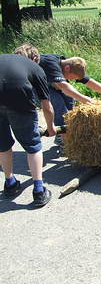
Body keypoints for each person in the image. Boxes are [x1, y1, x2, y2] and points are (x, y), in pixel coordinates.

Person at [1, 44, 56, 206]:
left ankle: (10, 182)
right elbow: (47, 106)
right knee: (33, 146)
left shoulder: (3, 59)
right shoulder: (35, 67)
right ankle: (39, 190)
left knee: (2, 145)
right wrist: (51, 127)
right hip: (18, 99)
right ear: (34, 58)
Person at [36, 52, 101, 150]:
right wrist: (87, 100)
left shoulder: (71, 65)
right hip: (38, 85)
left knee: (70, 102)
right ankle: (65, 144)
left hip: (53, 82)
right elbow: (65, 87)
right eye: (74, 77)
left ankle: (64, 133)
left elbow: (89, 81)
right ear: (67, 69)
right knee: (60, 108)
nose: (73, 80)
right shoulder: (51, 64)